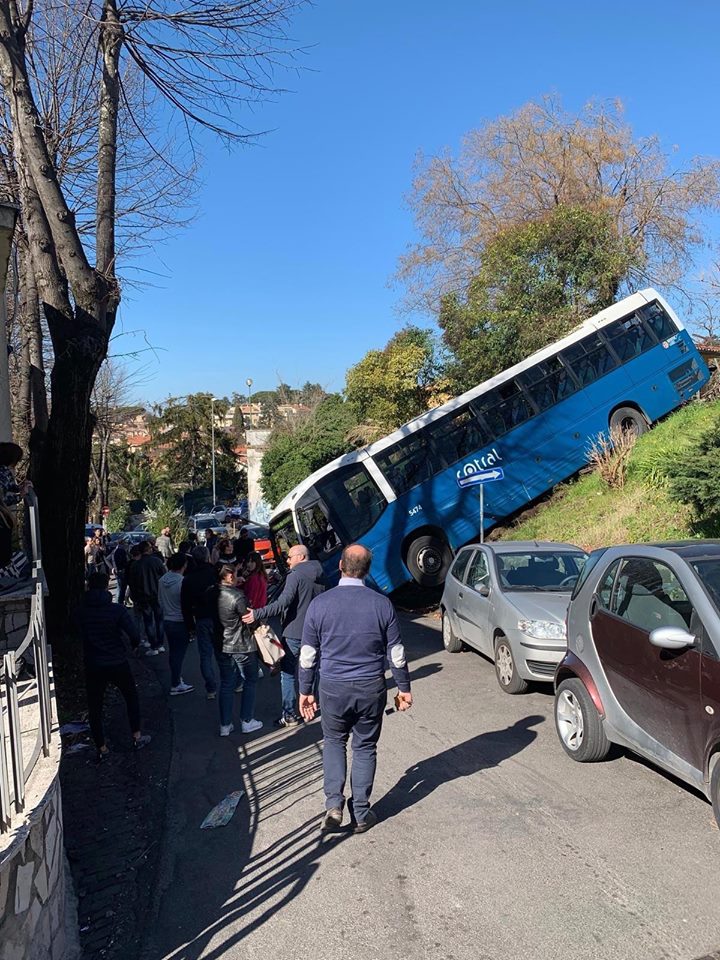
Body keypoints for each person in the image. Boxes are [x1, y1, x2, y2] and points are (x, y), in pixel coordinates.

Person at [299, 544, 412, 834]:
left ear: (340, 565)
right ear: (367, 570)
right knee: (364, 746)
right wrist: (403, 688)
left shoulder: (320, 605)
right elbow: (396, 651)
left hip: (333, 688)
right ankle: (361, 812)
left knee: (334, 742)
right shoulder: (381, 604)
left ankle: (333, 805)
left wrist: (305, 690)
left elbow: (308, 654)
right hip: (370, 687)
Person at [242, 543, 324, 728]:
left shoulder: (296, 576)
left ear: (301, 557)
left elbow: (282, 603)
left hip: (294, 632)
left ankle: (289, 715)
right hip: (316, 631)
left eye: (290, 556)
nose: (287, 560)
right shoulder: (321, 573)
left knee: (288, 674)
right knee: (311, 669)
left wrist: (257, 613)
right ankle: (312, 704)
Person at [74, 571, 151, 760]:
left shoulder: (81, 610)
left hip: (93, 662)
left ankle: (101, 747)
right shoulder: (116, 610)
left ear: (88, 586)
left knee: (95, 706)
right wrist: (132, 646)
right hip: (117, 660)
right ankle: (136, 735)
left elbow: (76, 633)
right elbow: (133, 634)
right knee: (131, 697)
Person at [213, 563, 263, 737]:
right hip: (241, 643)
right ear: (229, 576)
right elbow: (249, 618)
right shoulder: (238, 596)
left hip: (221, 643)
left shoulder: (211, 593)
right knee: (250, 680)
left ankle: (225, 725)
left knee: (226, 683)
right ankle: (247, 720)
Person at [181, 545, 219, 699]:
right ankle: (232, 681)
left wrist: (190, 626)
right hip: (218, 617)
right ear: (207, 556)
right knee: (225, 652)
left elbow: (185, 605)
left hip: (201, 618)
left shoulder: (188, 579)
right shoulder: (215, 573)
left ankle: (211, 688)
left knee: (205, 655)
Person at [158, 553, 194, 695]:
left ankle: (176, 678)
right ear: (183, 565)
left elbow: (159, 600)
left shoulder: (162, 580)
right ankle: (176, 682)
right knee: (179, 653)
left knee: (173, 652)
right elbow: (187, 604)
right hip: (179, 620)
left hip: (167, 619)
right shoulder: (182, 582)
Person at [127, 540, 166, 655]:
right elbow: (164, 576)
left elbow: (132, 583)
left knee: (148, 620)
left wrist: (134, 596)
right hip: (156, 594)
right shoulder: (156, 561)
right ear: (149, 549)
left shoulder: (135, 565)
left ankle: (153, 645)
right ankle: (160, 643)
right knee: (159, 619)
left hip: (142, 596)